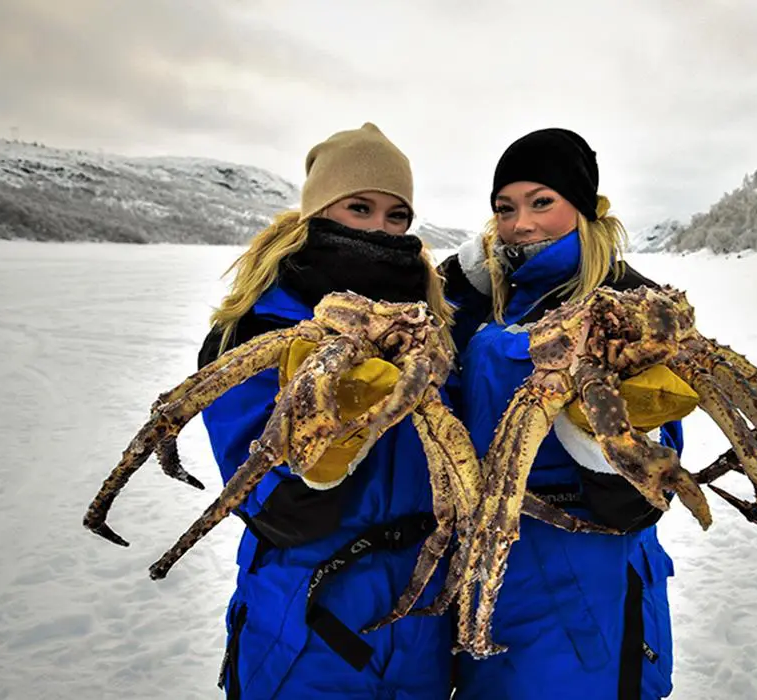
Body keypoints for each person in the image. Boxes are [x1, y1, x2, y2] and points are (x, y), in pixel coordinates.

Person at [197, 122, 455, 699]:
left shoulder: (432, 325)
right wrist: (328, 439)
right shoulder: (258, 327)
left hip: (418, 624)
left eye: (397, 216)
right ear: (316, 212)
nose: (381, 229)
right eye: (359, 207)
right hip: (305, 619)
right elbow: (272, 508)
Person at [439, 128, 691, 700]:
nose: (520, 223)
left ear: (582, 206)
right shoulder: (504, 302)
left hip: (585, 592)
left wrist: (605, 443)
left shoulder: (623, 304)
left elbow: (649, 483)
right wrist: (460, 285)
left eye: (541, 201)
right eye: (505, 208)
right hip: (492, 582)